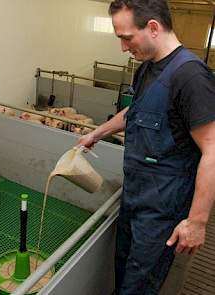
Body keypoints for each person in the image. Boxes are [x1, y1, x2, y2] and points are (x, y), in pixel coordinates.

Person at [77, 0, 215, 294]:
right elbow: (136, 111)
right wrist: (97, 133)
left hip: (162, 207)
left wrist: (197, 222)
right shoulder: (146, 69)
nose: (123, 48)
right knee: (124, 268)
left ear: (153, 27)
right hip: (135, 195)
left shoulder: (190, 76)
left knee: (140, 284)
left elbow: (212, 150)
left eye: (127, 37)